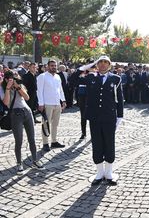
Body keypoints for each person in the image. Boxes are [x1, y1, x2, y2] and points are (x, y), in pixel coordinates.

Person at [77, 55, 124, 186]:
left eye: (105, 62)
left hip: (109, 117)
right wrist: (86, 67)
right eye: (100, 62)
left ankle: (109, 173)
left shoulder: (116, 78)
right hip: (94, 117)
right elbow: (74, 78)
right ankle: (99, 173)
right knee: (97, 144)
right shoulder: (90, 77)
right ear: (97, 65)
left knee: (109, 143)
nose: (103, 64)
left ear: (109, 65)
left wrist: (120, 116)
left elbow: (119, 98)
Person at [0, 71, 42, 173]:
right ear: (6, 79)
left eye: (16, 78)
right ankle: (19, 164)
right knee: (18, 140)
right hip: (15, 114)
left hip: (27, 112)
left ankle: (35, 160)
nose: (15, 80)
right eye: (12, 78)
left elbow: (27, 97)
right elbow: (6, 102)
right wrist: (8, 87)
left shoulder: (20, 85)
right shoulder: (2, 88)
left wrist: (18, 87)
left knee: (32, 138)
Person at [37, 60, 66, 152]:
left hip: (57, 103)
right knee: (45, 124)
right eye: (52, 65)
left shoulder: (57, 76)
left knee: (55, 124)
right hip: (47, 104)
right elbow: (39, 91)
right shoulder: (42, 76)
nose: (54, 67)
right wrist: (41, 103)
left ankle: (54, 141)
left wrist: (63, 100)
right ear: (47, 66)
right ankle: (45, 143)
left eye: (55, 65)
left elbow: (60, 89)